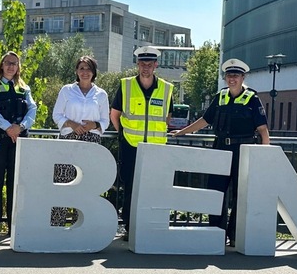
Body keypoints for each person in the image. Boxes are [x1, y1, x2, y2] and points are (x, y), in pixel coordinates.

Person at [170, 58, 270, 246]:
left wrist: (265, 158)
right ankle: (216, 232)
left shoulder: (252, 98)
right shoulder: (221, 97)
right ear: (225, 78)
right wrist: (182, 132)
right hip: (221, 149)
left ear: (243, 77)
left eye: (236, 76)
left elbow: (263, 130)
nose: (232, 79)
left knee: (240, 195)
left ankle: (235, 235)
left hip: (243, 150)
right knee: (215, 192)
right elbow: (205, 120)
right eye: (229, 75)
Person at [110, 46, 173, 239]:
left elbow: (167, 117)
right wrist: (123, 134)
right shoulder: (126, 85)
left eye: (149, 64)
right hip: (131, 145)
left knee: (153, 186)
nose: (146, 68)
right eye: (142, 64)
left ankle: (149, 225)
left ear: (156, 65)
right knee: (130, 186)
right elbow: (115, 114)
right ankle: (130, 226)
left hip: (155, 147)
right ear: (137, 65)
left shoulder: (166, 88)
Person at [0, 51, 37, 237]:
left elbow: (32, 110)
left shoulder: (24, 88)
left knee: (16, 184)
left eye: (14, 63)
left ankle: (14, 225)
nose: (11, 66)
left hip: (18, 139)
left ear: (18, 67)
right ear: (2, 65)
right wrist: (8, 128)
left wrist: (20, 127)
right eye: (8, 63)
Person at [51, 56, 110, 226]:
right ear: (77, 71)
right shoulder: (67, 90)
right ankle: (57, 224)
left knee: (87, 184)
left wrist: (95, 124)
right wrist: (71, 123)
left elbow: (105, 120)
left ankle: (83, 225)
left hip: (91, 141)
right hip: (69, 138)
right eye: (82, 68)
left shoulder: (101, 94)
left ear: (94, 72)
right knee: (63, 181)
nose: (85, 72)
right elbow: (57, 115)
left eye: (88, 69)